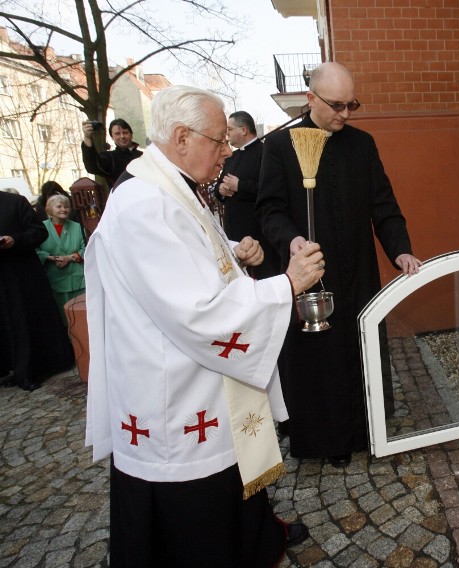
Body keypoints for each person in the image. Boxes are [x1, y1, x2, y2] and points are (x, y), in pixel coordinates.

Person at [84, 85, 325, 566]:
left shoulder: (169, 187)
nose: (227, 153)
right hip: (171, 390)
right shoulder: (145, 204)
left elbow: (186, 263)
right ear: (180, 137)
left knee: (231, 485)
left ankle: (255, 539)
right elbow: (197, 311)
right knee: (197, 531)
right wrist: (286, 286)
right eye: (218, 142)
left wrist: (233, 252)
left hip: (196, 382)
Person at [257, 62, 422, 468]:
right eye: (337, 105)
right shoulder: (280, 147)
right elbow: (270, 211)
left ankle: (368, 429)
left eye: (352, 105)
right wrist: (291, 240)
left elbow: (384, 206)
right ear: (310, 98)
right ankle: (327, 439)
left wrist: (399, 249)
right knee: (319, 358)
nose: (345, 115)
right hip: (309, 272)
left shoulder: (362, 145)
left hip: (359, 271)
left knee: (361, 347)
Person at [0, 189, 75, 391]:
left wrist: (15, 240)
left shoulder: (15, 202)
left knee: (23, 321)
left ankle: (29, 370)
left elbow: (38, 232)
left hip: (20, 277)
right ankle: (12, 368)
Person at [214, 111, 281, 279]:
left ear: (243, 129)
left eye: (229, 129)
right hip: (234, 230)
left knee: (264, 276)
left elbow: (272, 188)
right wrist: (220, 190)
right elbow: (219, 184)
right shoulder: (232, 157)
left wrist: (240, 186)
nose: (227, 134)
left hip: (258, 229)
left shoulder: (265, 153)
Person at [36, 194, 86, 325]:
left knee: (82, 319)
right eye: (59, 206)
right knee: (64, 320)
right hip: (55, 281)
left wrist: (69, 258)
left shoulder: (77, 227)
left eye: (67, 206)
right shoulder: (41, 228)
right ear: (50, 210)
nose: (64, 209)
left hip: (78, 280)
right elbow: (34, 250)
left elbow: (86, 248)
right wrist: (49, 257)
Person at [81, 118, 143, 189]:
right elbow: (92, 166)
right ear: (112, 137)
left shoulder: (143, 156)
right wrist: (87, 137)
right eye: (117, 134)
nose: (122, 136)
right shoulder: (110, 158)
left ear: (131, 135)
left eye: (125, 132)